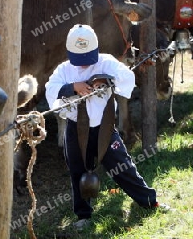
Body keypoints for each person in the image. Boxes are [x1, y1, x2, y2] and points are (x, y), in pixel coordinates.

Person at [45, 24, 169, 230]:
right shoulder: (64, 70)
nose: (84, 65)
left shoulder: (106, 62)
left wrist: (106, 80)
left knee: (124, 167)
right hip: (76, 130)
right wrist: (72, 87)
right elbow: (51, 90)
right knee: (78, 172)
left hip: (104, 128)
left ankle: (149, 201)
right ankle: (83, 216)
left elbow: (126, 77)